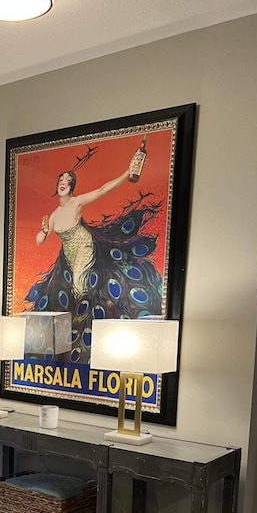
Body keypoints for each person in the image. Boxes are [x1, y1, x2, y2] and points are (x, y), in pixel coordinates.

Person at [25, 154, 163, 363]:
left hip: (84, 246)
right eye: (61, 181)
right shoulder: (53, 214)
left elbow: (102, 190)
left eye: (68, 181)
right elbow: (39, 241)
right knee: (63, 290)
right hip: (68, 254)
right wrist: (44, 231)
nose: (63, 184)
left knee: (80, 286)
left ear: (72, 186)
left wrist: (127, 173)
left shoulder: (77, 202)